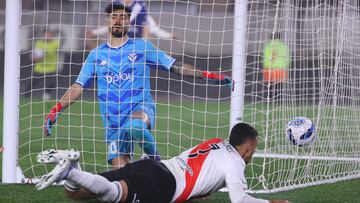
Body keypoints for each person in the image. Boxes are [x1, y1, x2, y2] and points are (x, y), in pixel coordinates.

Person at [43, 3, 233, 169]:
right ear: (107, 22)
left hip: (140, 109)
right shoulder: (95, 55)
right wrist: (56, 109)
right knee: (122, 179)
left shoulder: (142, 46)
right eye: (114, 17)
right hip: (113, 124)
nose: (118, 20)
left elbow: (175, 67)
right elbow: (78, 86)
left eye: (123, 17)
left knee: (135, 127)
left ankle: (159, 165)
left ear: (129, 23)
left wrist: (208, 75)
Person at [35, 123, 291, 203]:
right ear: (248, 147)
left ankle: (73, 168)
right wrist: (271, 202)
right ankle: (69, 168)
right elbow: (239, 200)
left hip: (153, 166)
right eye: (254, 148)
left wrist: (202, 189)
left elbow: (204, 173)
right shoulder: (235, 163)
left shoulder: (216, 142)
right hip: (164, 184)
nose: (253, 153)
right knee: (112, 195)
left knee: (76, 194)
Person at [26, 28, 60, 100]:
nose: (47, 36)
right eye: (46, 35)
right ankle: (26, 96)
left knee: (52, 82)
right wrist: (34, 57)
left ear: (52, 35)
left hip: (51, 67)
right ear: (43, 35)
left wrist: (41, 55)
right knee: (32, 82)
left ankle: (47, 94)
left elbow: (48, 53)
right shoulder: (38, 43)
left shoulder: (55, 43)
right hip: (40, 67)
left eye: (49, 35)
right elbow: (35, 54)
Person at [262, 32, 290, 99]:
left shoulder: (268, 46)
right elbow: (287, 58)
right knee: (280, 86)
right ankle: (279, 100)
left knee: (269, 86)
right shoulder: (284, 46)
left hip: (269, 69)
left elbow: (265, 57)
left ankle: (270, 99)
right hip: (281, 69)